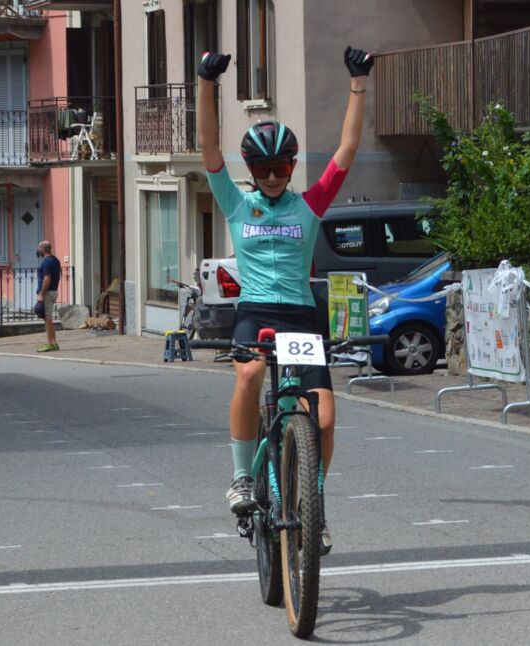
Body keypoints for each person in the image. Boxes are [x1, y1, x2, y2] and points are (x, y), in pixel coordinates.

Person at [197, 46, 374, 553]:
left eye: (281, 166)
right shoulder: (236, 201)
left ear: (292, 166)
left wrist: (357, 83)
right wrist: (206, 83)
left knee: (323, 419)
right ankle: (239, 476)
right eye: (263, 167)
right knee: (250, 374)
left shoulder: (308, 204)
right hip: (255, 312)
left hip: (300, 316)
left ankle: (312, 504)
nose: (273, 175)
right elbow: (208, 146)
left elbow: (346, 151)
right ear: (251, 168)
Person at [35, 241, 61, 353]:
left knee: (47, 319)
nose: (38, 251)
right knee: (49, 319)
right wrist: (55, 292)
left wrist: (41, 295)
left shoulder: (46, 262)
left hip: (47, 293)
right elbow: (57, 277)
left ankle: (50, 344)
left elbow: (47, 279)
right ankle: (54, 343)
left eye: (39, 248)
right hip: (53, 291)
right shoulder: (56, 260)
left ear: (42, 249)